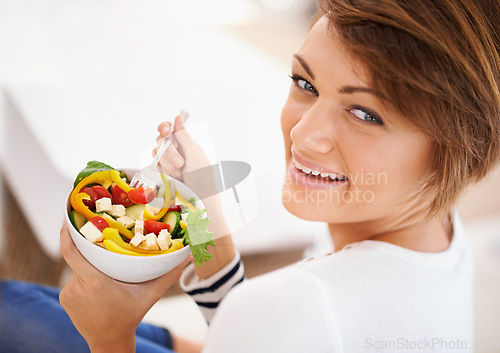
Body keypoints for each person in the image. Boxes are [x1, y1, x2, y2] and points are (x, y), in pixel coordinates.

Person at [3, 0, 499, 352]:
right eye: (306, 83)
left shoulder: (303, 304)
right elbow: (257, 332)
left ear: (457, 148)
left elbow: (273, 324)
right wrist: (206, 225)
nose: (303, 135)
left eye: (365, 114)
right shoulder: (443, 237)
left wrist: (110, 338)